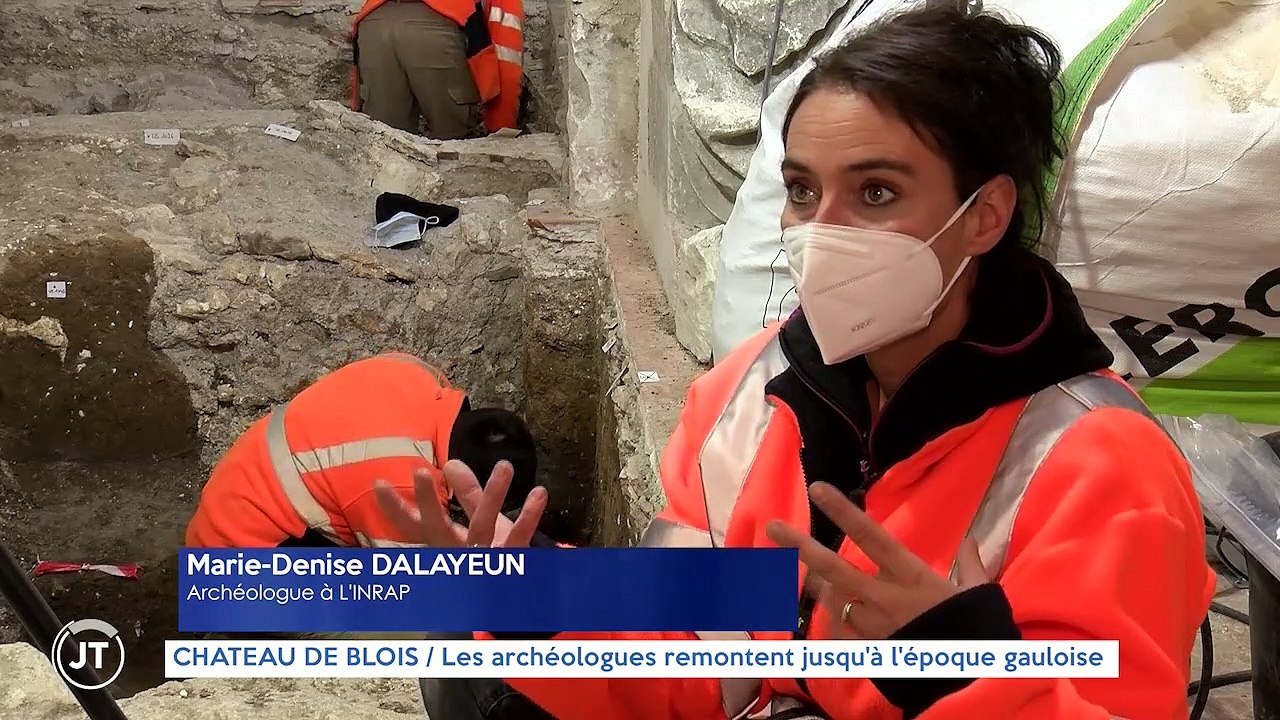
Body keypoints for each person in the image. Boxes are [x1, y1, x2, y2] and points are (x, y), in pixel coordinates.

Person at [377, 5, 1215, 720]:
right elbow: (684, 652)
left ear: (985, 214)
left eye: (877, 193)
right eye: (805, 190)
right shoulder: (751, 387)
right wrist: (539, 611)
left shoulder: (1102, 465)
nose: (821, 230)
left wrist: (959, 671)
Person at [185, 351, 538, 551]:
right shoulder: (401, 484)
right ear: (463, 496)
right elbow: (411, 588)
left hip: (232, 510)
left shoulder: (418, 374)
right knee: (415, 638)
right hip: (235, 572)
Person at [346, 0, 524, 138]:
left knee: (386, 142)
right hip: (436, 26)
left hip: (373, 23)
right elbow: (507, 47)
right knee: (454, 143)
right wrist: (501, 127)